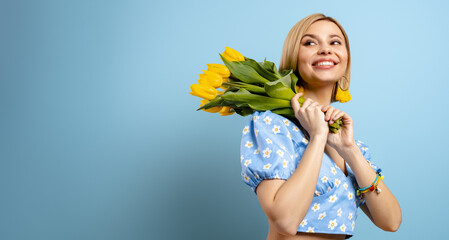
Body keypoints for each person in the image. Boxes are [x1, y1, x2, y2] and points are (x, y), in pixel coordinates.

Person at [240, 13, 402, 240]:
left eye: (335, 42)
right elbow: (285, 221)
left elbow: (391, 221)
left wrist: (351, 151)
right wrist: (317, 138)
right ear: (293, 57)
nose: (326, 49)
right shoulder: (272, 126)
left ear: (346, 58)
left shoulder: (348, 142)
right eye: (310, 42)